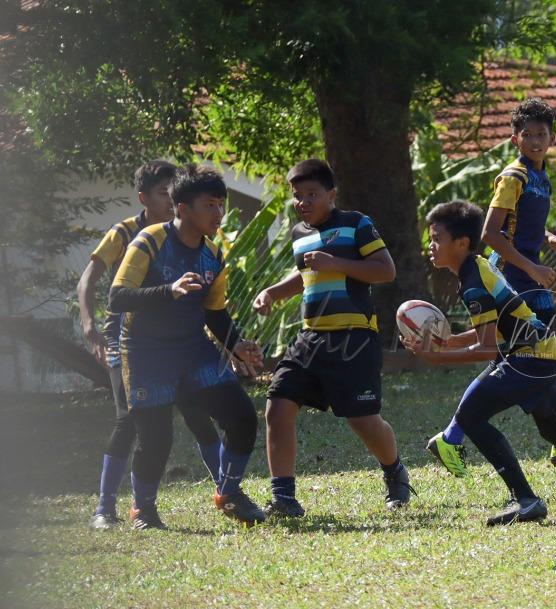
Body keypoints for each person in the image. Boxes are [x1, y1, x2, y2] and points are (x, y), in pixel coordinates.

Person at [406, 200, 556, 525]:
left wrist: (435, 355)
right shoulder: (476, 267)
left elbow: (486, 350)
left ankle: (526, 500)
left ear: (461, 243)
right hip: (544, 351)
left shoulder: (472, 281)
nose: (431, 246)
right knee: (555, 432)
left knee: (471, 417)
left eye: (436, 238)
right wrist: (447, 342)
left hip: (527, 356)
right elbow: (491, 329)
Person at [427, 97, 556, 476]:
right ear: (515, 139)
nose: (536, 140)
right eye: (528, 134)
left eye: (542, 133)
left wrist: (550, 238)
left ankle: (454, 437)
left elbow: (522, 227)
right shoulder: (514, 177)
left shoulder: (541, 176)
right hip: (512, 278)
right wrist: (534, 268)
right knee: (551, 352)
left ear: (552, 137)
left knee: (535, 356)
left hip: (527, 276)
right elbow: (491, 233)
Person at [109, 164, 265, 529]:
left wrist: (237, 344)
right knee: (156, 439)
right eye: (209, 205)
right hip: (145, 354)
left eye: (220, 205)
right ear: (182, 208)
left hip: (194, 351)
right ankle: (143, 510)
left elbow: (216, 314)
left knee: (241, 417)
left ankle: (228, 493)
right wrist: (169, 290)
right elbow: (117, 298)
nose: (218, 214)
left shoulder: (214, 255)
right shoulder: (148, 241)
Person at [254, 159, 411, 518]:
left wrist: (336, 263)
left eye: (312, 194)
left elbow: (385, 271)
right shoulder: (298, 234)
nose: (304, 202)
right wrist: (273, 292)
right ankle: (284, 498)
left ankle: (395, 472)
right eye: (298, 196)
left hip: (354, 338)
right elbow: (307, 275)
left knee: (363, 420)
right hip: (310, 338)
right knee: (277, 405)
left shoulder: (356, 224)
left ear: (331, 194)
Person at [80, 160, 221, 530]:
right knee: (129, 420)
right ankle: (104, 508)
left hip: (176, 343)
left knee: (197, 412)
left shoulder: (193, 239)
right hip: (126, 341)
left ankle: (228, 491)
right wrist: (88, 324)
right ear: (145, 198)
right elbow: (89, 279)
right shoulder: (126, 233)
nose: (173, 199)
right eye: (164, 194)